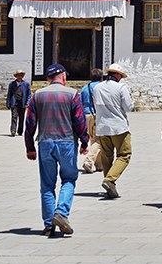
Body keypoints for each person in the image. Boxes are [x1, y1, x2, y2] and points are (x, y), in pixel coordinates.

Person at [24, 64, 89, 237]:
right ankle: (61, 212)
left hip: (45, 142)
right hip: (67, 143)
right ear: (62, 77)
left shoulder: (37, 95)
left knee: (47, 185)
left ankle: (48, 224)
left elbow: (30, 123)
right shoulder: (72, 94)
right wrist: (84, 141)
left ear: (48, 79)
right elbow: (79, 121)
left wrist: (29, 147)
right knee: (68, 179)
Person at [94, 63, 134, 199]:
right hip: (118, 126)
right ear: (117, 75)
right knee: (124, 155)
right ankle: (110, 180)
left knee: (106, 157)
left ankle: (109, 186)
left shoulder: (97, 88)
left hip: (102, 126)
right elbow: (129, 107)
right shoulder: (121, 88)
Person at [80, 69, 104, 174]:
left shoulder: (85, 88)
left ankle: (99, 164)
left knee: (92, 139)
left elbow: (80, 103)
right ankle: (89, 161)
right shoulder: (102, 87)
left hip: (86, 115)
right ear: (101, 77)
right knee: (99, 140)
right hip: (97, 115)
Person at [6, 70, 31, 137]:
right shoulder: (12, 84)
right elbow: (9, 94)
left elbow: (29, 94)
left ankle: (20, 131)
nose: (19, 77)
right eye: (18, 75)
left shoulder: (26, 84)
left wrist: (28, 103)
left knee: (21, 118)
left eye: (21, 75)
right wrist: (8, 103)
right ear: (16, 76)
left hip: (22, 103)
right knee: (14, 117)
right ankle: (13, 130)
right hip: (14, 103)